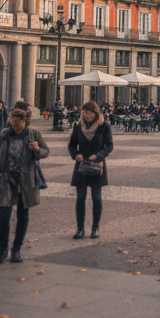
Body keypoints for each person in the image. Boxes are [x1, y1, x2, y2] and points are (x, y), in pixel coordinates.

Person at [0, 102, 49, 264]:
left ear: (25, 122)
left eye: (18, 121)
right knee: (4, 215)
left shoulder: (33, 134)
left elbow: (45, 151)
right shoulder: (3, 135)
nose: (14, 124)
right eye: (12, 120)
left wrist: (37, 149)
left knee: (23, 215)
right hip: (5, 180)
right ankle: (3, 249)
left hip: (25, 180)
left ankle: (16, 249)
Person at [68, 100, 113, 239]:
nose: (86, 117)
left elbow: (109, 146)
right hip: (81, 166)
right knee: (80, 198)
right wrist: (76, 155)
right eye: (84, 114)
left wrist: (99, 155)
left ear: (95, 113)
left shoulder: (103, 126)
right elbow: (71, 145)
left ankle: (95, 227)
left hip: (96, 165)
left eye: (89, 114)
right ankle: (80, 228)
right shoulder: (78, 126)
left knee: (96, 198)